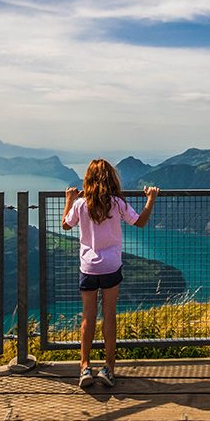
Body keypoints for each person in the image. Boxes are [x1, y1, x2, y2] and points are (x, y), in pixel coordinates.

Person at [62, 158, 160, 388]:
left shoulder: (80, 204)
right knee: (109, 315)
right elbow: (140, 222)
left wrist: (69, 200)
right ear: (111, 179)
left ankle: (85, 366)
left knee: (88, 317)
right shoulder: (117, 204)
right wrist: (151, 200)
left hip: (88, 267)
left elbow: (66, 225)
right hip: (111, 267)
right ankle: (109, 368)